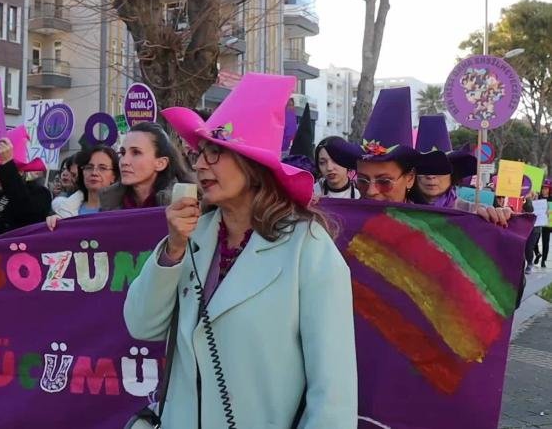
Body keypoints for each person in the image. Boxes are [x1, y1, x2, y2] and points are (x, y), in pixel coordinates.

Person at [126, 74, 357, 428]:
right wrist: (172, 251)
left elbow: (334, 392)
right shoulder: (191, 236)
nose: (201, 164)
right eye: (200, 153)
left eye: (216, 153)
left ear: (253, 165)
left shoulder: (307, 247)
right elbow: (141, 324)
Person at [326, 87, 511, 226]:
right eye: (363, 181)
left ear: (409, 179)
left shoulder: (463, 217)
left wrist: (495, 222)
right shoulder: (338, 222)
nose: (371, 191)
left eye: (384, 181)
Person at [100, 122, 192, 210]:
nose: (124, 161)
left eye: (136, 152)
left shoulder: (181, 202)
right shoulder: (109, 201)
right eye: (123, 153)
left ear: (161, 163)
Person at [410, 115, 477, 210]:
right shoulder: (395, 212)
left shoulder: (474, 213)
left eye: (440, 169)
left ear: (452, 173)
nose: (431, 176)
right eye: (424, 168)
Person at [46, 146, 120, 229]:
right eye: (89, 167)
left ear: (114, 176)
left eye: (102, 168)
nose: (94, 173)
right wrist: (56, 225)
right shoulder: (64, 210)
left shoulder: (124, 212)